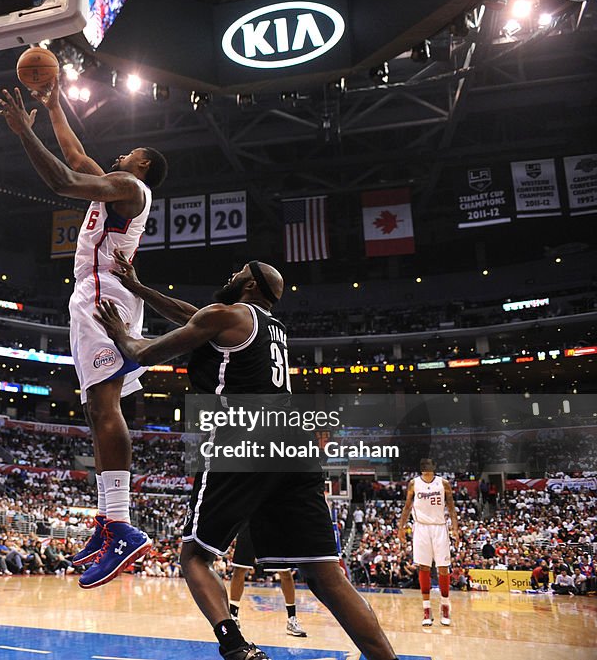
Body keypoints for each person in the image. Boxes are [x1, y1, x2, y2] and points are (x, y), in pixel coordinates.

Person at [94, 255, 398, 660]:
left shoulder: (226, 316)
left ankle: (236, 647)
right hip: (294, 446)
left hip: (244, 436)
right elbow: (193, 317)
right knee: (327, 576)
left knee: (195, 556)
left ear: (251, 285)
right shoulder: (269, 327)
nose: (230, 274)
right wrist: (137, 287)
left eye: (237, 272)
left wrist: (119, 333)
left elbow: (144, 353)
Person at [0, 83, 167, 589]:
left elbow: (64, 179)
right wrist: (51, 108)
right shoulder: (116, 185)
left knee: (106, 405)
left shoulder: (132, 190)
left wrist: (25, 132)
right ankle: (108, 520)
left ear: (141, 169)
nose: (119, 155)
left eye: (128, 154)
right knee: (96, 407)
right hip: (95, 291)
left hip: (105, 293)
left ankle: (122, 524)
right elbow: (74, 154)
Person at [397, 459, 460, 626]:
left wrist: (455, 528)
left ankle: (445, 607)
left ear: (434, 466)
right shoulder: (414, 483)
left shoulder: (443, 483)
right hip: (421, 528)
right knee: (423, 567)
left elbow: (452, 508)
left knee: (443, 568)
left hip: (440, 527)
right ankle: (427, 610)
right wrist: (401, 527)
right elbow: (407, 507)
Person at [228, 522, 306, 638]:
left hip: (273, 522)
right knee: (240, 569)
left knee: (285, 572)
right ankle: (233, 617)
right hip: (250, 520)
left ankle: (291, 619)